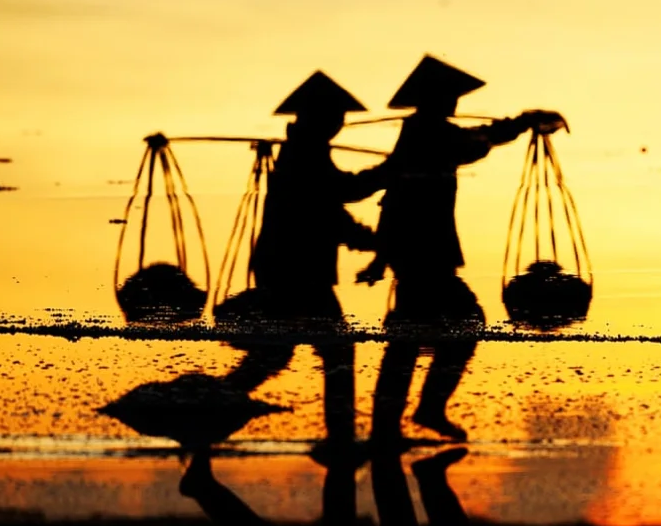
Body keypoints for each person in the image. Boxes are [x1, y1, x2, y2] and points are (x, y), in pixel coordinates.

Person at [359, 55, 564, 444]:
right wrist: (522, 122)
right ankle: (417, 413)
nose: (454, 104)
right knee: (462, 323)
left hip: (414, 253)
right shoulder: (431, 134)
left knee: (408, 336)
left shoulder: (422, 132)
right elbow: (473, 144)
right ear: (436, 99)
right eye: (449, 97)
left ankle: (388, 426)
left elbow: (393, 195)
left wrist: (381, 257)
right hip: (425, 253)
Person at [223, 71, 385, 450]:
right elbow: (341, 195)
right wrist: (388, 172)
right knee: (337, 349)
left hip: (289, 267)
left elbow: (330, 211)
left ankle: (214, 404)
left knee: (275, 352)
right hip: (295, 270)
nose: (339, 124)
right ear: (316, 117)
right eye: (334, 116)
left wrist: (369, 239)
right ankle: (341, 438)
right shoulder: (304, 155)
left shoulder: (305, 152)